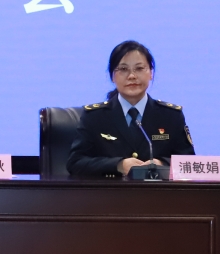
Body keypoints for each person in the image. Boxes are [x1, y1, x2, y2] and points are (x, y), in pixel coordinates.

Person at [67, 40, 195, 179]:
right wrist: (119, 165)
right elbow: (75, 163)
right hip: (111, 192)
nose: (132, 76)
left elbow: (189, 163)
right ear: (112, 76)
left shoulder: (171, 116)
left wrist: (162, 164)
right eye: (123, 69)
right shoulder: (95, 116)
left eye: (139, 68)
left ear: (151, 73)